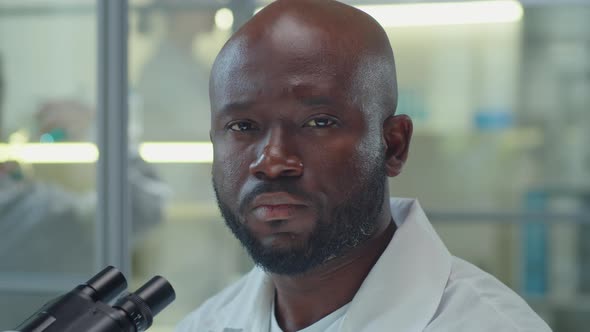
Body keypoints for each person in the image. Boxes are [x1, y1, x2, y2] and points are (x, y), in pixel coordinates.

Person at [176, 0, 552, 331]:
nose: (272, 162)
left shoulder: (486, 325)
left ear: (393, 145)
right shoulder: (206, 323)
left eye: (318, 122)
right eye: (242, 127)